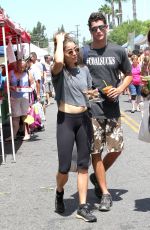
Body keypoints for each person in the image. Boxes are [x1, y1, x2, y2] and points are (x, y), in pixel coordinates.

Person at [81, 12, 132, 211]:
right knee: (96, 151)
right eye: (94, 29)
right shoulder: (85, 52)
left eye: (101, 27)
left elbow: (128, 74)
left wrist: (119, 89)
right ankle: (105, 193)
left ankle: (96, 176)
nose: (98, 31)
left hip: (112, 109)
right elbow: (76, 76)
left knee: (117, 149)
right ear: (90, 31)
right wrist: (88, 93)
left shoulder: (118, 51)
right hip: (92, 110)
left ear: (107, 28)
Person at [51, 32, 97, 222]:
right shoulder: (59, 71)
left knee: (83, 166)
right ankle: (59, 191)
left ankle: (82, 207)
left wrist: (92, 94)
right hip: (66, 121)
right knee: (64, 167)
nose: (74, 53)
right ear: (62, 53)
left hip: (83, 119)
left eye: (76, 50)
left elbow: (88, 93)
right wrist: (60, 41)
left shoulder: (84, 70)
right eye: (69, 51)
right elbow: (59, 62)